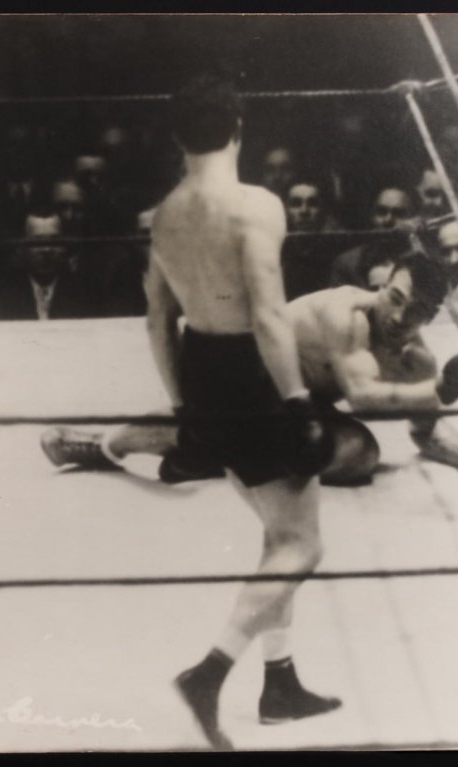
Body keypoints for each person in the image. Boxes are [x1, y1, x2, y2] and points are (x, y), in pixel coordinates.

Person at [129, 74, 340, 749]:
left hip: (202, 367)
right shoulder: (256, 206)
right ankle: (209, 672)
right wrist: (299, 402)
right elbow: (271, 315)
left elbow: (157, 323)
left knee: (276, 535)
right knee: (302, 542)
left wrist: (184, 405)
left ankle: (280, 681)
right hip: (255, 372)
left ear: (175, 138)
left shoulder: (161, 215)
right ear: (240, 129)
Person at [42, 252, 458, 487]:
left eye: (415, 311)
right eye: (394, 298)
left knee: (361, 455)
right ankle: (104, 445)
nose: (398, 317)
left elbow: (425, 431)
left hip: (293, 408)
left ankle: (221, 455)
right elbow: (361, 393)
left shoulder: (417, 360)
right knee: (236, 417)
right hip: (234, 368)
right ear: (382, 286)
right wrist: (443, 388)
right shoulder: (347, 316)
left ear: (431, 316)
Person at [0, 206, 100, 321]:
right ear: (22, 248)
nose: (46, 249)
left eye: (54, 241)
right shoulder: (3, 296)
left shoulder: (85, 296)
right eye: (37, 242)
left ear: (64, 246)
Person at [329, 184, 419, 290]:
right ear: (371, 216)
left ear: (414, 219)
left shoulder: (423, 264)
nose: (388, 220)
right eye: (381, 212)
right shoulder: (347, 264)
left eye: (398, 213)